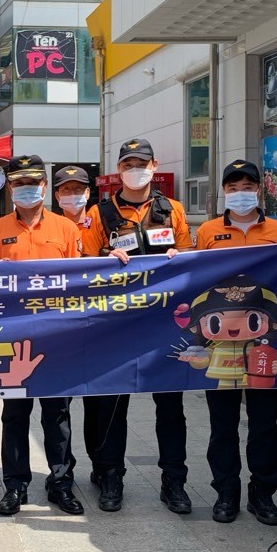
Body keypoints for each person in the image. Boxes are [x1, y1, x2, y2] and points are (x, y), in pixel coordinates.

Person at [80, 139, 193, 513]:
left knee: (170, 406)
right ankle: (110, 475)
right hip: (118, 324)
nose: (135, 170)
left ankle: (174, 481)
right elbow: (85, 263)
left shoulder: (172, 210)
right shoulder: (100, 213)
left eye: (141, 163)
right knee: (112, 404)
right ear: (118, 169)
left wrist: (179, 256)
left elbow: (191, 259)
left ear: (154, 165)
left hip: (164, 324)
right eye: (128, 164)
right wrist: (105, 255)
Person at [0, 154, 84, 517]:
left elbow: (80, 282)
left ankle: (61, 483)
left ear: (44, 186)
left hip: (57, 336)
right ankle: (15, 484)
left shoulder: (66, 229)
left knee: (57, 414)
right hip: (13, 336)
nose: (26, 189)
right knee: (14, 413)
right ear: (10, 188)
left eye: (33, 183)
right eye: (19, 183)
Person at [194, 159, 277, 526]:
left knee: (264, 423)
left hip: (265, 341)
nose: (240, 194)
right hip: (221, 342)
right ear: (224, 191)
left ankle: (262, 493)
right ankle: (226, 491)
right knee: (222, 424)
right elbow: (194, 278)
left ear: (259, 190)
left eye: (247, 187)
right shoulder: (207, 232)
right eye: (233, 188)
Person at [52, 165, 93, 236]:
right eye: (66, 189)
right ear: (57, 196)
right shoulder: (52, 228)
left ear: (87, 193)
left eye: (78, 188)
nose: (72, 194)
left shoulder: (97, 226)